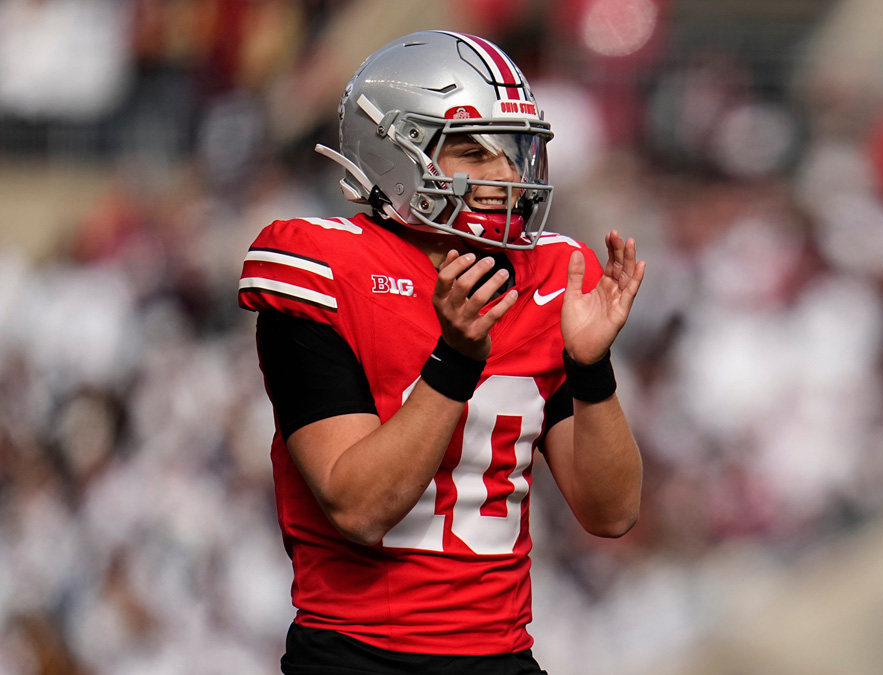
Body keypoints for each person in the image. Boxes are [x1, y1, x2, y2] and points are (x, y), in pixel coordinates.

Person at [237, 30, 645, 674]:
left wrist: (592, 369)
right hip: (357, 654)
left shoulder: (552, 275)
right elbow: (359, 507)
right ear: (393, 150)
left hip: (501, 654)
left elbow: (612, 512)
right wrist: (455, 359)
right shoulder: (324, 266)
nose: (507, 174)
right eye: (472, 151)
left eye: (514, 150)